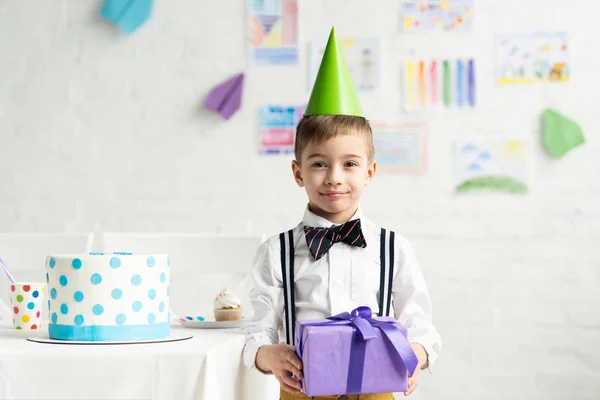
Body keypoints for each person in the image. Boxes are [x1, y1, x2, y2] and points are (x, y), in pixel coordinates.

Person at [243, 27, 442, 400]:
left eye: (349, 164)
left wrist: (416, 353)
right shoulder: (275, 252)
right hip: (301, 391)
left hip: (378, 391)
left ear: (369, 172)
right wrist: (268, 355)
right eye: (319, 164)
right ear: (298, 172)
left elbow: (420, 321)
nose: (334, 178)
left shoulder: (393, 248)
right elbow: (255, 328)